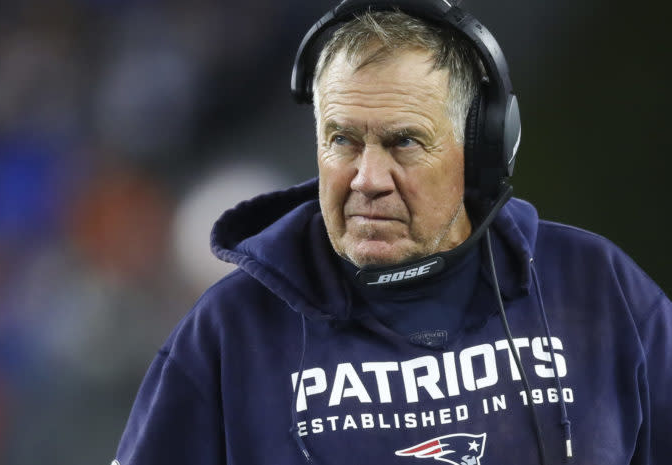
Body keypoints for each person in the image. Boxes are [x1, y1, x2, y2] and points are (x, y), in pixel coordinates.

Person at [113, 1, 671, 464]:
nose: (368, 179)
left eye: (404, 141)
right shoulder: (229, 332)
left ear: (479, 152)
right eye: (343, 141)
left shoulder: (600, 288)